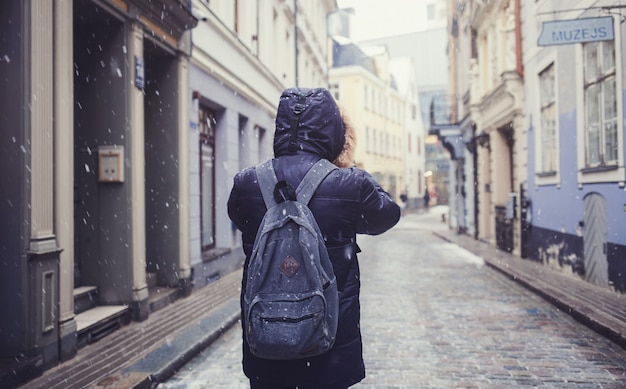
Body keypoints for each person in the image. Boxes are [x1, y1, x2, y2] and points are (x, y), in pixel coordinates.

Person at [227, 87, 401, 389]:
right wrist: (347, 165)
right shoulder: (349, 185)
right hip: (328, 349)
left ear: (281, 129)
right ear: (334, 131)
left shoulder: (248, 183)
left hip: (267, 344)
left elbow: (236, 217)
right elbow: (387, 215)